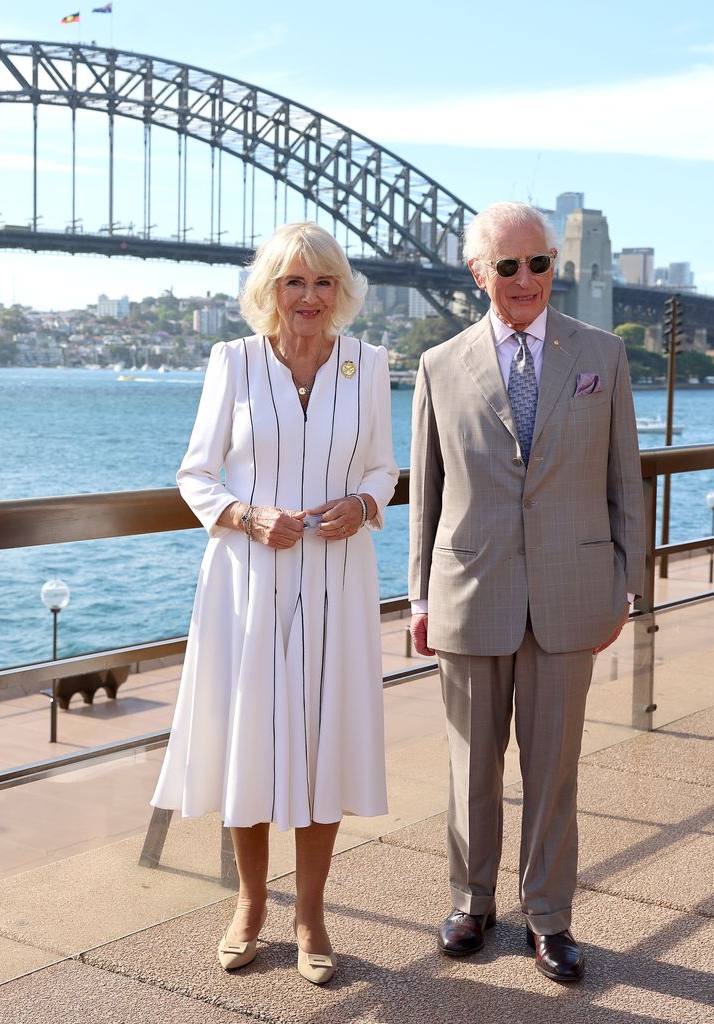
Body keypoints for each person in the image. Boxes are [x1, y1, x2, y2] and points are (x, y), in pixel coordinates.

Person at [152, 221, 398, 985]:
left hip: (336, 578)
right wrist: (247, 515)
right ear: (270, 291)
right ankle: (249, 907)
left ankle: (312, 915)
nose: (310, 297)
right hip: (247, 580)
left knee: (324, 739)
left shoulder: (370, 364)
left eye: (323, 282)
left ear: (341, 291)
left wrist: (365, 502)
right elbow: (196, 474)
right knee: (249, 741)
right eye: (295, 282)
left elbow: (387, 468)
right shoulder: (232, 362)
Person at [409, 201, 645, 983]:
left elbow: (624, 483)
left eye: (537, 263)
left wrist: (625, 586)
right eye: (506, 266)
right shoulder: (440, 364)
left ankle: (549, 916)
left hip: (573, 591)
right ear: (479, 273)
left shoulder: (601, 355)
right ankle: (472, 902)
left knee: (554, 768)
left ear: (555, 266)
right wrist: (419, 598)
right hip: (471, 590)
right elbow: (430, 494)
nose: (524, 280)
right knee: (470, 764)